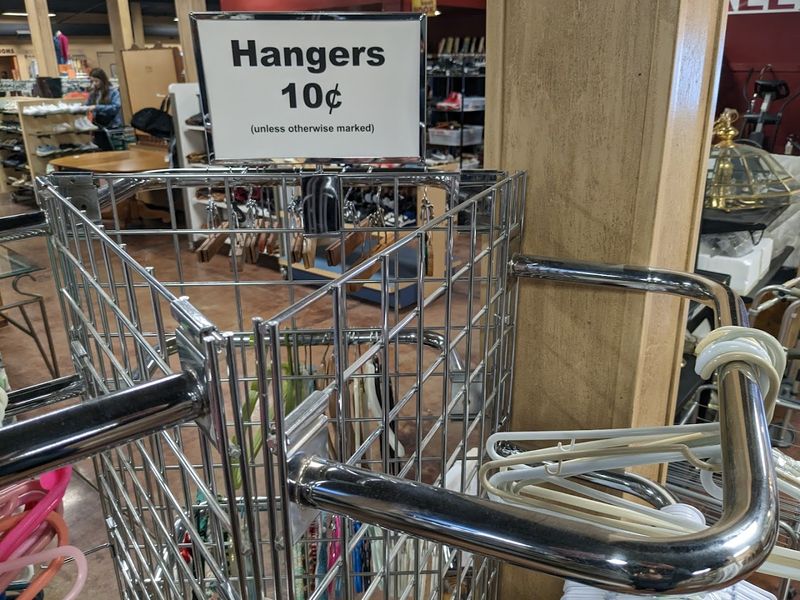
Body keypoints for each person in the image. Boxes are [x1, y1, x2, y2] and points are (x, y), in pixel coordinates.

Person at [86, 67, 122, 150]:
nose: (94, 84)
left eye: (96, 81)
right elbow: (87, 105)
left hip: (111, 127)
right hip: (98, 127)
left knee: (111, 151)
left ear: (103, 80)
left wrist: (97, 107)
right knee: (100, 151)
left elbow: (115, 107)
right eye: (92, 81)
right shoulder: (93, 94)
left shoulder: (113, 92)